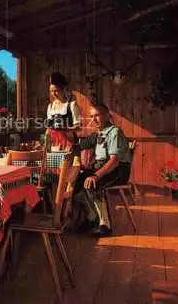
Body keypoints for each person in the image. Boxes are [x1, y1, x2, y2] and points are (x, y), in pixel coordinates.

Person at [72, 103, 131, 237]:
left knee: (92, 184)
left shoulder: (114, 132)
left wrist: (96, 176)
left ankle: (105, 225)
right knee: (75, 182)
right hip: (102, 168)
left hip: (118, 170)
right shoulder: (99, 133)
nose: (94, 120)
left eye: (97, 115)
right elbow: (78, 147)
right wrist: (74, 152)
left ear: (106, 115)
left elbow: (114, 161)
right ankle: (92, 217)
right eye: (91, 117)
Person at [45, 72, 81, 152]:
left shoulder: (72, 105)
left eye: (56, 91)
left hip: (69, 143)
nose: (54, 94)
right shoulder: (50, 107)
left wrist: (64, 129)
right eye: (51, 91)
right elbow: (49, 129)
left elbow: (78, 128)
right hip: (55, 145)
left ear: (63, 89)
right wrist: (46, 144)